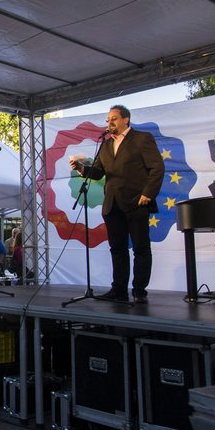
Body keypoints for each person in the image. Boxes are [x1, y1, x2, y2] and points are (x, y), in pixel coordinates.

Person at [70, 104, 164, 304]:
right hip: (112, 204)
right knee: (117, 248)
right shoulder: (105, 144)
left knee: (140, 248)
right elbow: (97, 172)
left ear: (126, 119)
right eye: (108, 119)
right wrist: (81, 168)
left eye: (113, 118)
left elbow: (157, 167)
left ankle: (139, 291)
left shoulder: (141, 139)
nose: (109, 122)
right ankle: (118, 289)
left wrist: (148, 193)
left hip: (137, 201)